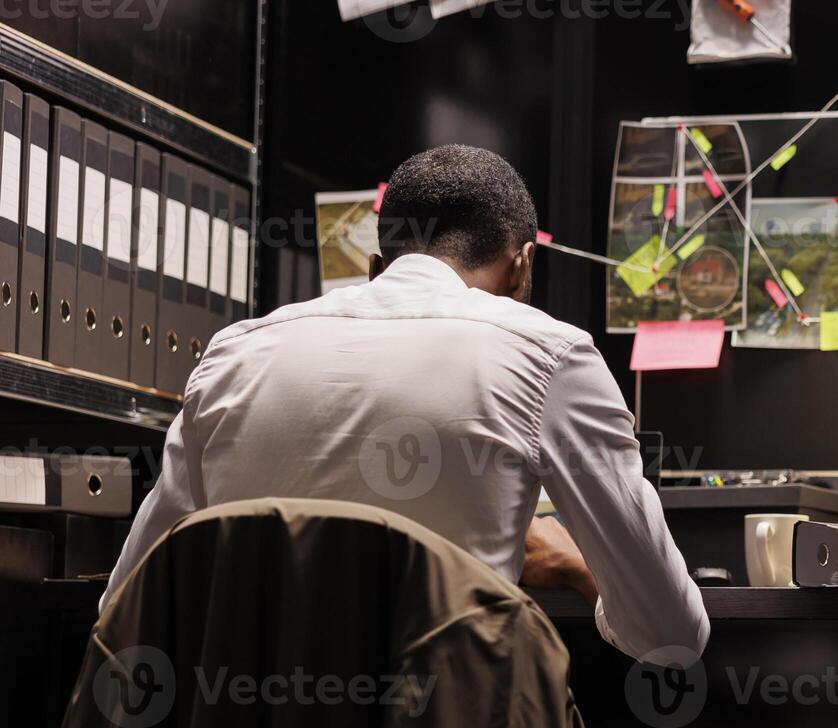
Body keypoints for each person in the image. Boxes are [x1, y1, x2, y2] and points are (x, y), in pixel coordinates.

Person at [101, 144, 708, 665]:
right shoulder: (551, 354)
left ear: (372, 267)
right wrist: (579, 568)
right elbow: (670, 635)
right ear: (523, 266)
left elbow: (125, 604)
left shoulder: (233, 353)